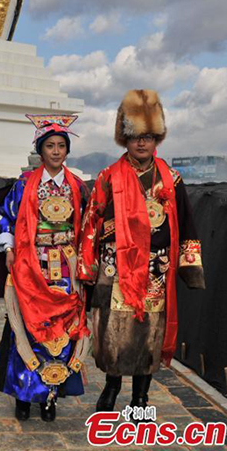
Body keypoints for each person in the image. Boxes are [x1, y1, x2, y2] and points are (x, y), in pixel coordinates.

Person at [78, 89, 205, 420]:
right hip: (115, 268)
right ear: (125, 138)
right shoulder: (108, 177)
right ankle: (111, 386)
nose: (141, 143)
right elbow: (92, 220)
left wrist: (190, 268)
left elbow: (187, 223)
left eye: (148, 136)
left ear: (157, 138)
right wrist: (89, 262)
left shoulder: (171, 180)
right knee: (112, 332)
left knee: (148, 334)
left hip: (155, 270)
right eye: (135, 136)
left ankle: (140, 395)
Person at [0, 114, 90, 422]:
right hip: (32, 263)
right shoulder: (24, 185)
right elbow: (7, 217)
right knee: (28, 326)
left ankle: (51, 393)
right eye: (50, 146)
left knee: (62, 329)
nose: (56, 151)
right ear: (40, 150)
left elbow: (88, 225)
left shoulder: (77, 187)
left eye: (61, 145)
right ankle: (23, 394)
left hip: (66, 266)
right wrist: (9, 249)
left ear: (67, 150)